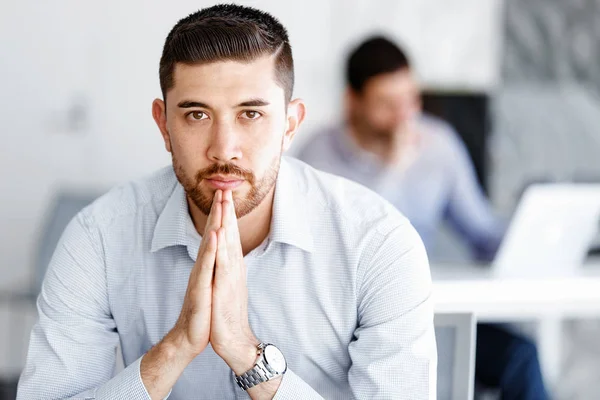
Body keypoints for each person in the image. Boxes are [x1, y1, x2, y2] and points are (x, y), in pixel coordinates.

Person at [17, 6, 436, 400]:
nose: (224, 149)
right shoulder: (99, 238)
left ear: (290, 125)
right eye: (196, 114)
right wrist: (176, 347)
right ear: (164, 124)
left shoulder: (378, 242)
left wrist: (245, 352)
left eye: (250, 114)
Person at [297, 36, 549, 399]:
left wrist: (535, 231)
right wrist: (393, 171)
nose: (404, 118)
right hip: (349, 324)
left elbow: (481, 231)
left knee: (520, 357)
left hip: (431, 311)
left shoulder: (438, 144)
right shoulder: (317, 156)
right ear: (352, 102)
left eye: (410, 101)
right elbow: (353, 248)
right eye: (387, 104)